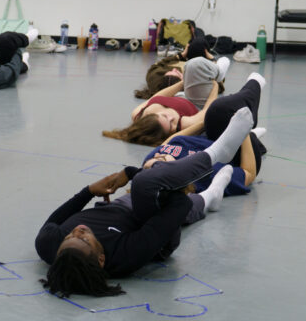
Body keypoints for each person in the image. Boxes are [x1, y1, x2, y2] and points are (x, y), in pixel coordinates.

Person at [36, 106, 255, 298]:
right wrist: (144, 174)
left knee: (149, 178)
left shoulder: (49, 245)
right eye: (83, 240)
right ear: (101, 259)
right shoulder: (125, 256)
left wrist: (90, 191)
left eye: (69, 237)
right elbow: (181, 206)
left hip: (123, 204)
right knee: (146, 182)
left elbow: (57, 219)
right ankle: (217, 154)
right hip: (153, 228)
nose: (78, 231)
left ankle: (211, 196)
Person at [142, 73, 268, 194]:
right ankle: (255, 84)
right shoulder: (199, 175)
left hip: (209, 136)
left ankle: (253, 135)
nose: (157, 154)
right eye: (161, 159)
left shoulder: (150, 164)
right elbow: (248, 173)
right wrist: (242, 130)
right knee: (219, 111)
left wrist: (203, 123)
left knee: (212, 117)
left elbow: (171, 140)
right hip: (236, 153)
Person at [103, 57, 230, 146]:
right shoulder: (182, 125)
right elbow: (207, 111)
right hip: (198, 101)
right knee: (194, 65)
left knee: (182, 69)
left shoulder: (138, 113)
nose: (171, 118)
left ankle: (212, 70)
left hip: (179, 94)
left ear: (148, 116)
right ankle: (219, 73)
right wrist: (215, 87)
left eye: (164, 116)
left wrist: (182, 83)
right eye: (170, 124)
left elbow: (157, 96)